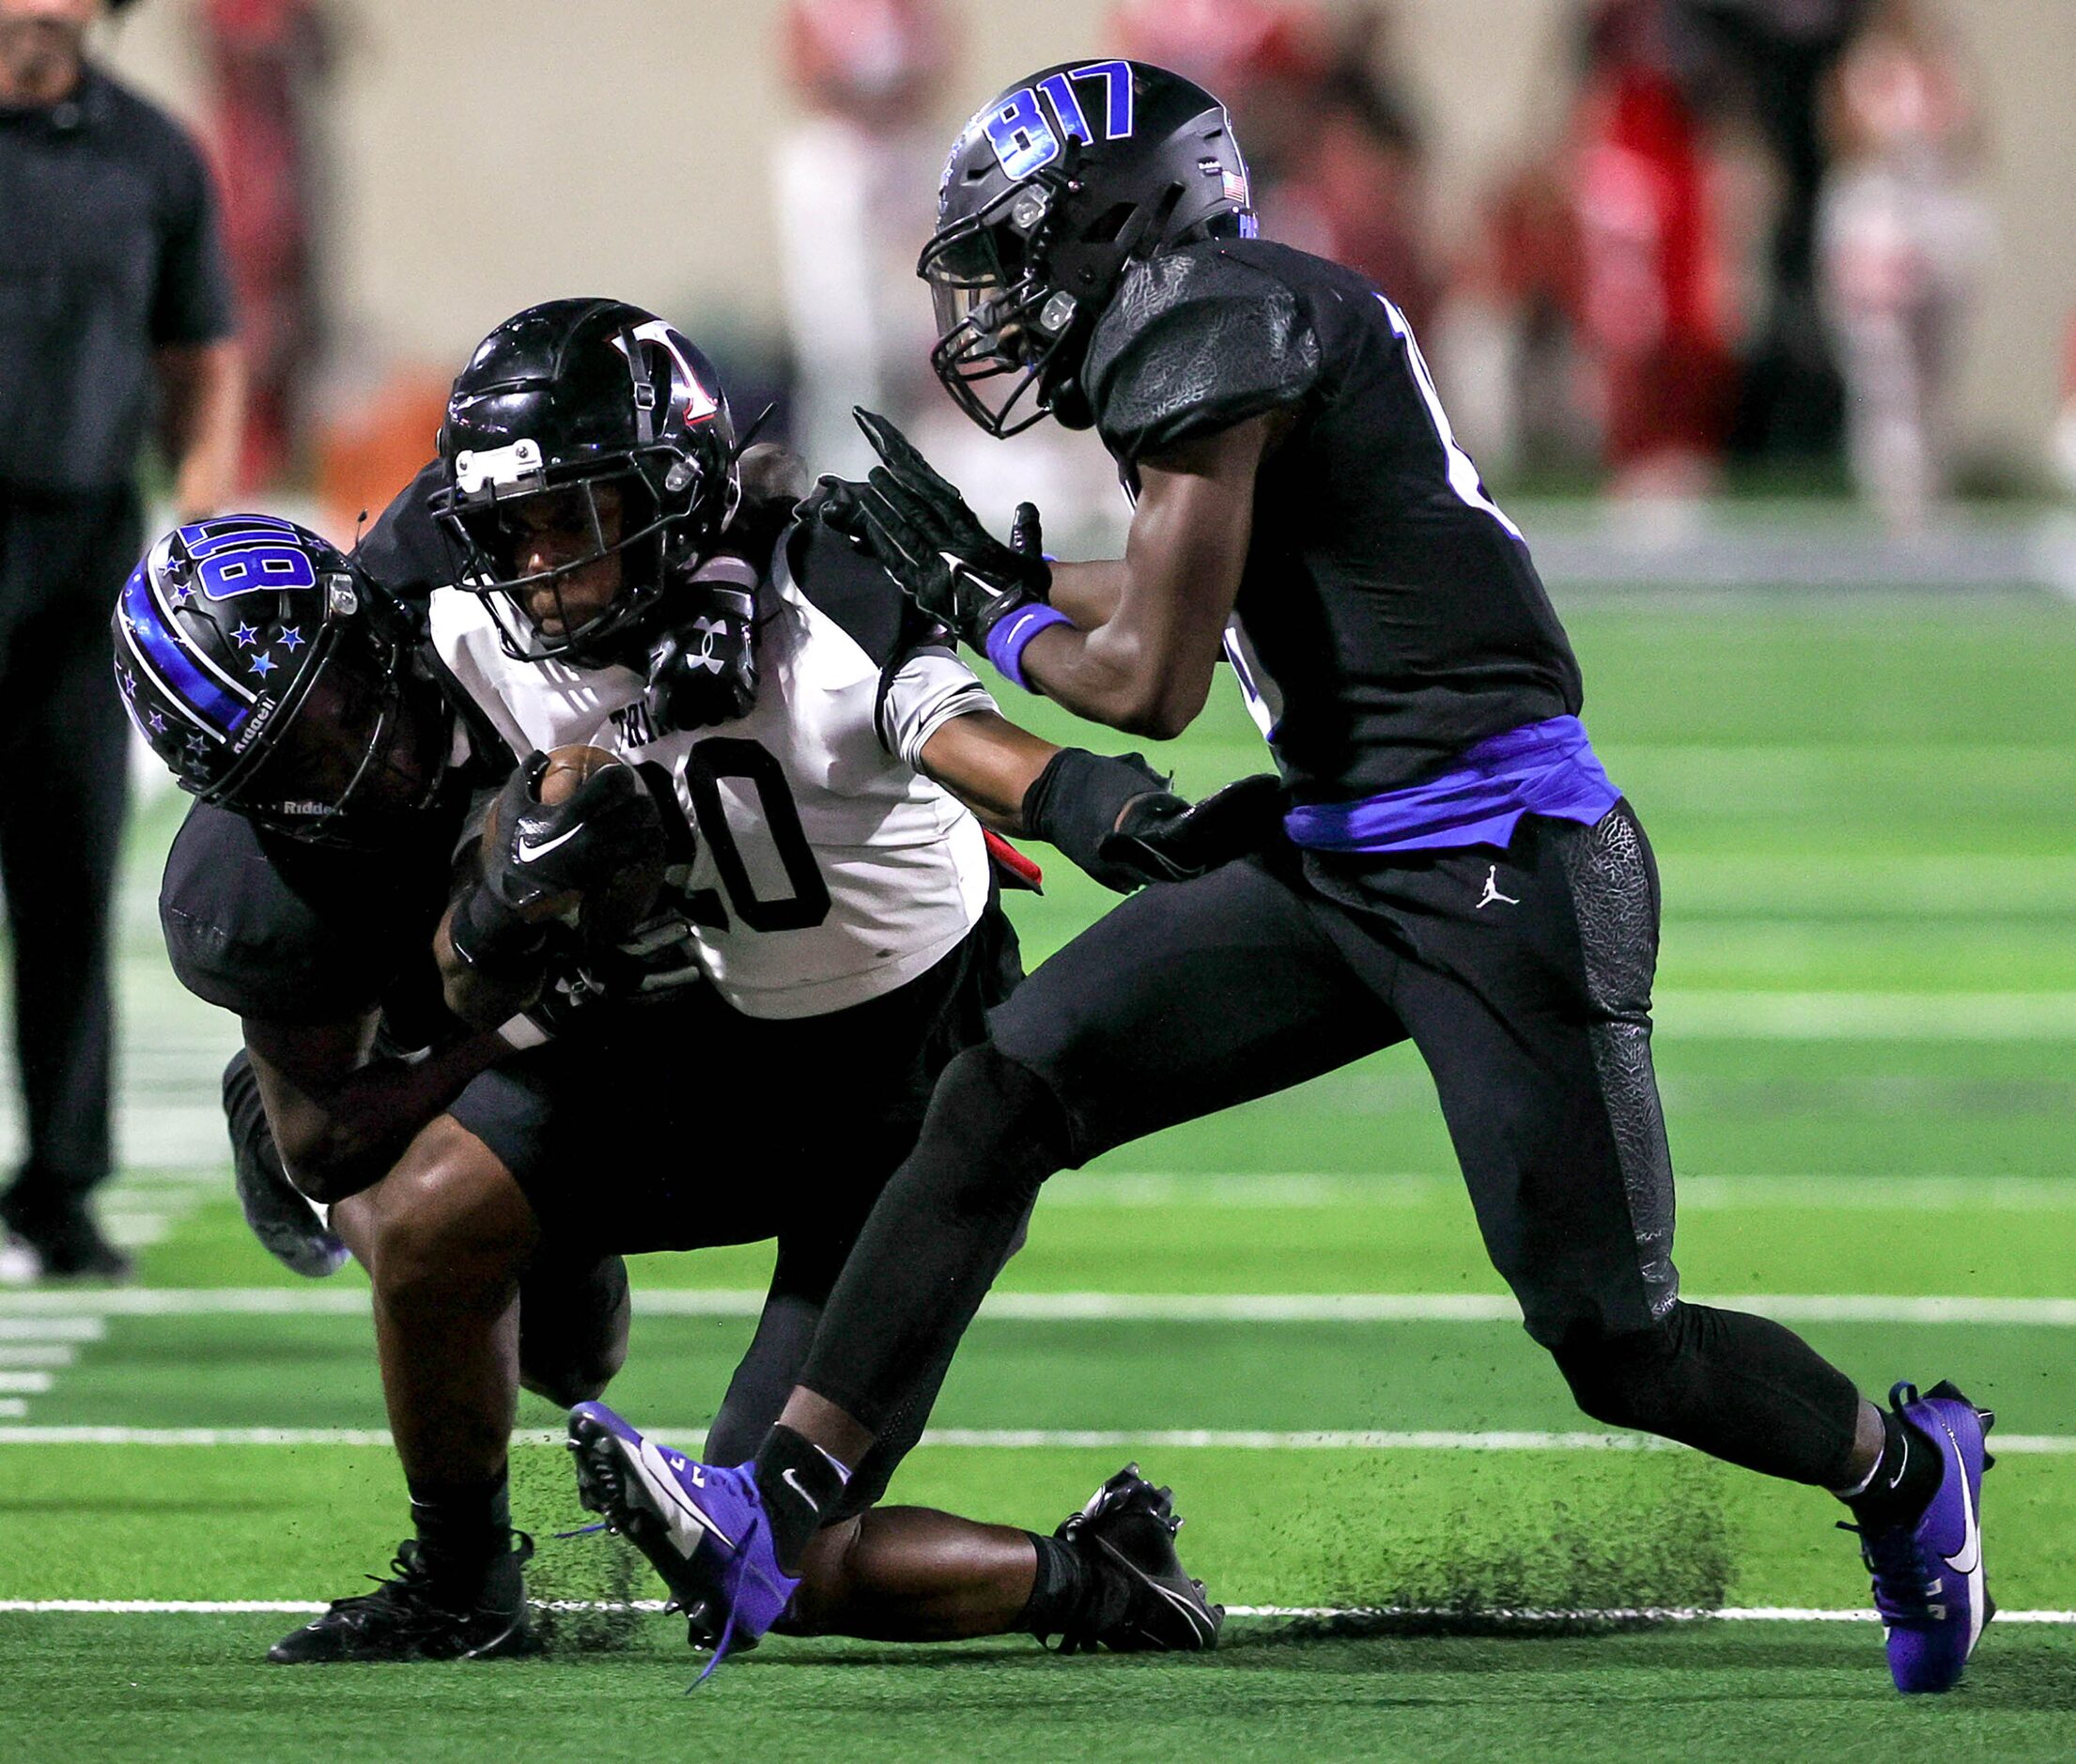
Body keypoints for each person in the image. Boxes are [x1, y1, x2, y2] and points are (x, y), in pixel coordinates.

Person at [623, 62, 1995, 1698]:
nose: (995, 298)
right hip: (1346, 853)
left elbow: (1149, 681)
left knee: (1616, 1343)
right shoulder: (1233, 309)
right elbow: (1169, 590)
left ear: (1113, 226)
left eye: (1016, 250)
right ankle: (777, 1504)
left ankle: (1905, 1470)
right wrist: (997, 572)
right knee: (1001, 1087)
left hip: (1501, 867)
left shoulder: (1206, 325)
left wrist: (981, 623)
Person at [0, 0, 242, 1279]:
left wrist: (201, 499)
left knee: (65, 874)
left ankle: (61, 1187)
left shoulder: (151, 152)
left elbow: (202, 346)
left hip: (81, 549)